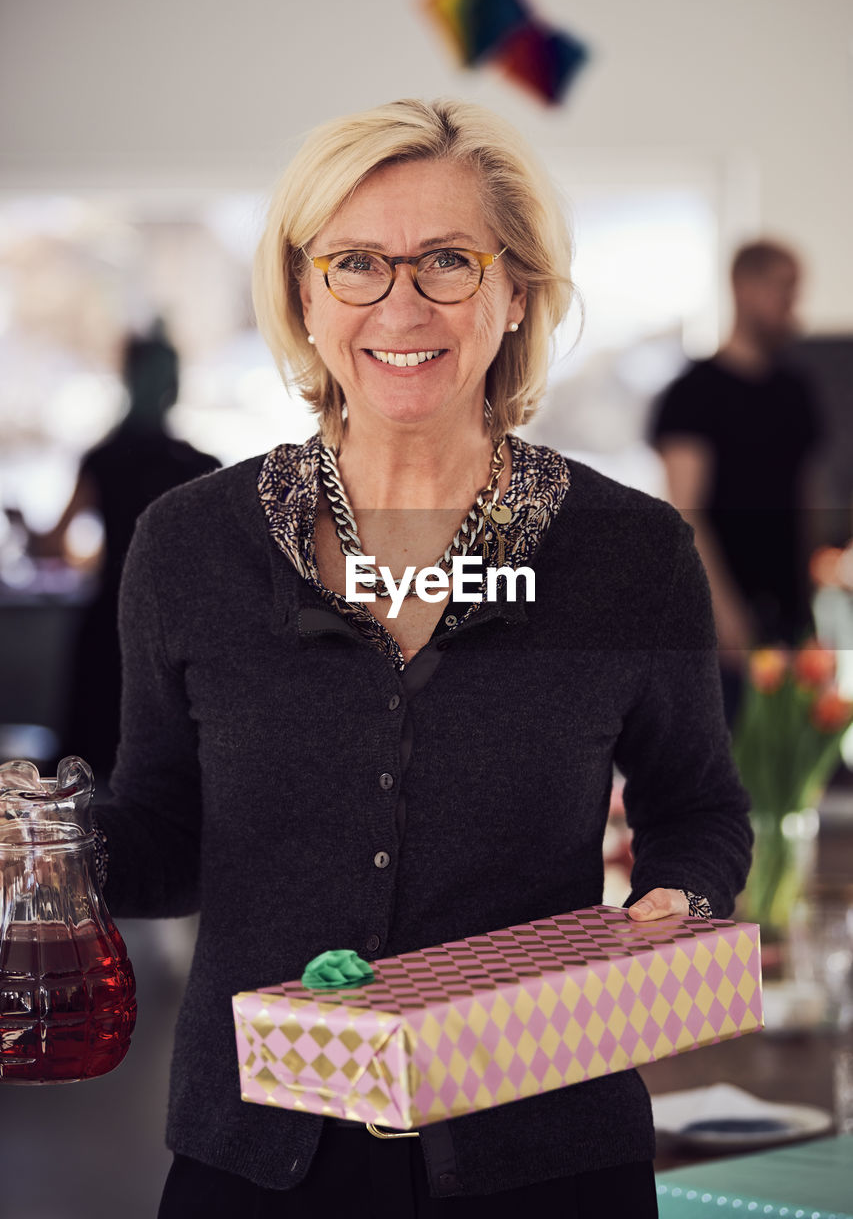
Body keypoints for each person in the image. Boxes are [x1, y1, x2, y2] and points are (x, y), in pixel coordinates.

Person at [91, 99, 752, 1217]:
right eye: (355, 262)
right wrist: (47, 845)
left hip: (544, 1151)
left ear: (514, 292)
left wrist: (676, 897)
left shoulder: (627, 552)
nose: (401, 302)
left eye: (448, 259)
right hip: (256, 1152)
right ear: (303, 291)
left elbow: (698, 804)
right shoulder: (191, 544)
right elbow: (165, 839)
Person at [34, 325, 220, 776]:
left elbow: (54, 547)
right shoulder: (201, 467)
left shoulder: (102, 459)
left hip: (108, 622)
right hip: (175, 627)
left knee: (90, 781)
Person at [650, 241, 822, 720]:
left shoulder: (796, 393)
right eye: (783, 291)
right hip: (722, 628)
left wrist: (810, 609)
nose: (792, 307)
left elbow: (803, 500)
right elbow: (685, 512)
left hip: (789, 619)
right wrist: (727, 623)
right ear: (744, 288)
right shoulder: (693, 395)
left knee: (791, 774)